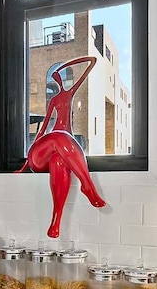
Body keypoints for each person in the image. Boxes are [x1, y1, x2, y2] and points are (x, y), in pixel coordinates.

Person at [17, 56, 106, 238]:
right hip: (40, 155)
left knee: (59, 161)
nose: (58, 80)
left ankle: (56, 222)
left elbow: (91, 63)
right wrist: (24, 166)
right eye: (55, 78)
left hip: (58, 153)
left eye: (60, 76)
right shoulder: (54, 100)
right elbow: (42, 130)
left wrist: (66, 65)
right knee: (60, 136)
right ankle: (87, 185)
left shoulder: (71, 93)